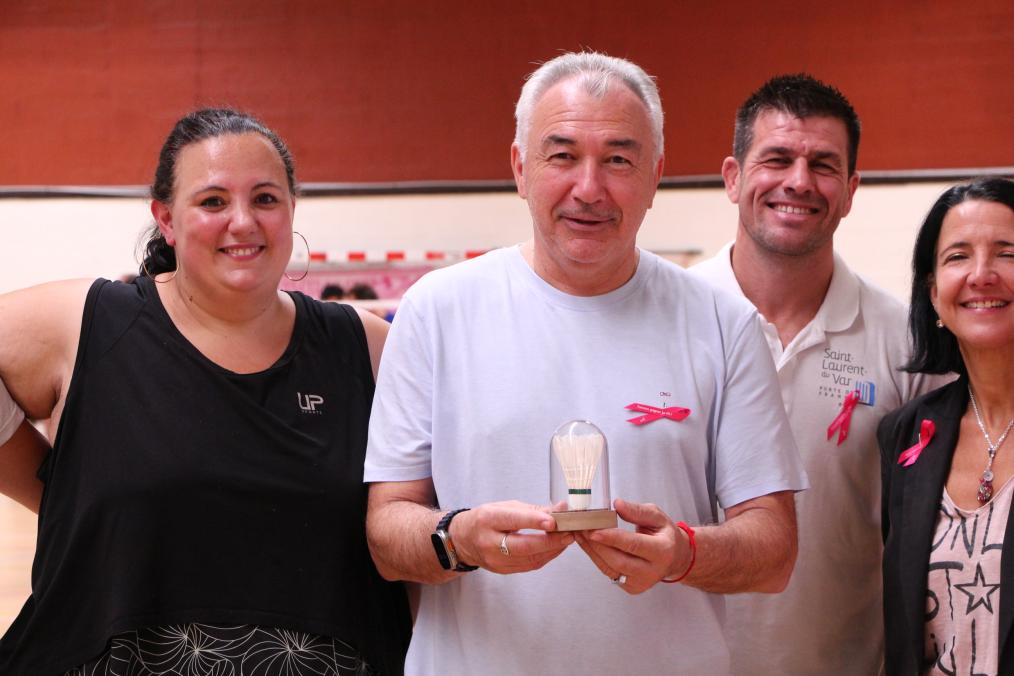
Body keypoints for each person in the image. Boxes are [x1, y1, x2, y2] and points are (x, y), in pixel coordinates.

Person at [364, 52, 807, 676]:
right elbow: (386, 532)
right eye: (562, 156)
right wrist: (458, 540)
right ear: (521, 168)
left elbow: (774, 550)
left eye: (619, 160)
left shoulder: (722, 323)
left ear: (656, 174)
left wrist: (683, 553)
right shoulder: (437, 310)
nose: (590, 188)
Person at [0, 109, 410, 675]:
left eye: (265, 199)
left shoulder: (362, 345)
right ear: (166, 220)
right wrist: (49, 487)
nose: (243, 221)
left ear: (292, 210)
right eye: (213, 201)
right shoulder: (93, 322)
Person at [691, 74, 950, 674]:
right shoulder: (669, 317)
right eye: (777, 158)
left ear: (851, 189)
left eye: (824, 165)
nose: (799, 182)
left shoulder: (907, 340)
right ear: (733, 177)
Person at [880, 177, 1014, 675]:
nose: (981, 275)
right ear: (934, 293)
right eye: (958, 256)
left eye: (1007, 253)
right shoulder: (906, 432)